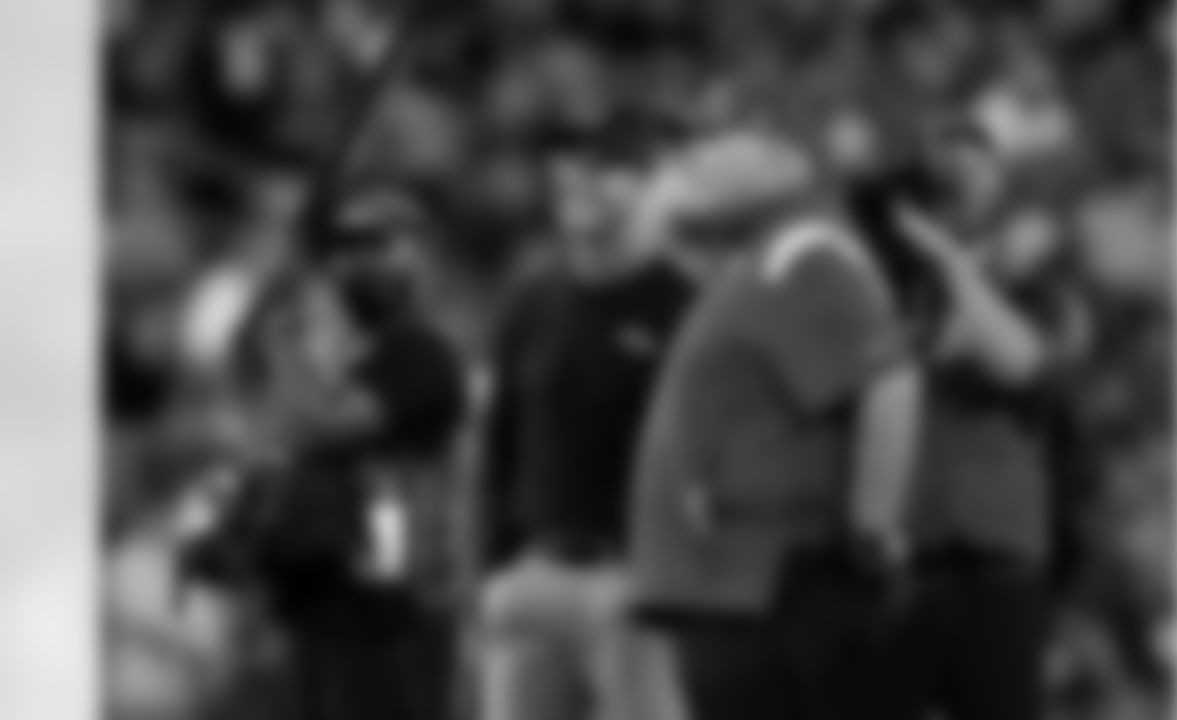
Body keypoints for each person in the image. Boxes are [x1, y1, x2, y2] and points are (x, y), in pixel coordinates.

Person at [626, 129, 924, 720]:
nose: (689, 167)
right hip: (740, 591)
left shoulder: (803, 253)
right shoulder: (761, 264)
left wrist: (873, 527)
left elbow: (889, 383)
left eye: (708, 157)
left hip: (780, 586)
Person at [182, 193, 467, 720]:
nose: (363, 262)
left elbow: (321, 427)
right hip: (313, 602)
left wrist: (284, 336)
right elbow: (246, 393)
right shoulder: (331, 359)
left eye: (381, 246)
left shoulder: (421, 353)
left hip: (391, 611)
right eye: (350, 248)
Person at [845, 124, 1087, 720]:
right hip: (891, 572)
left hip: (995, 572)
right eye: (938, 175)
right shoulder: (880, 293)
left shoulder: (1038, 292)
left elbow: (1020, 363)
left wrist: (946, 257)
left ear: (1000, 188)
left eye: (969, 175)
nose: (951, 192)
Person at [475, 132, 694, 720]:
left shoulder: (682, 304)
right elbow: (499, 440)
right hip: (533, 571)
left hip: (632, 578)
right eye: (573, 172)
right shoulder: (531, 300)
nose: (586, 187)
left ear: (654, 187)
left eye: (610, 169)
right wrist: (491, 566)